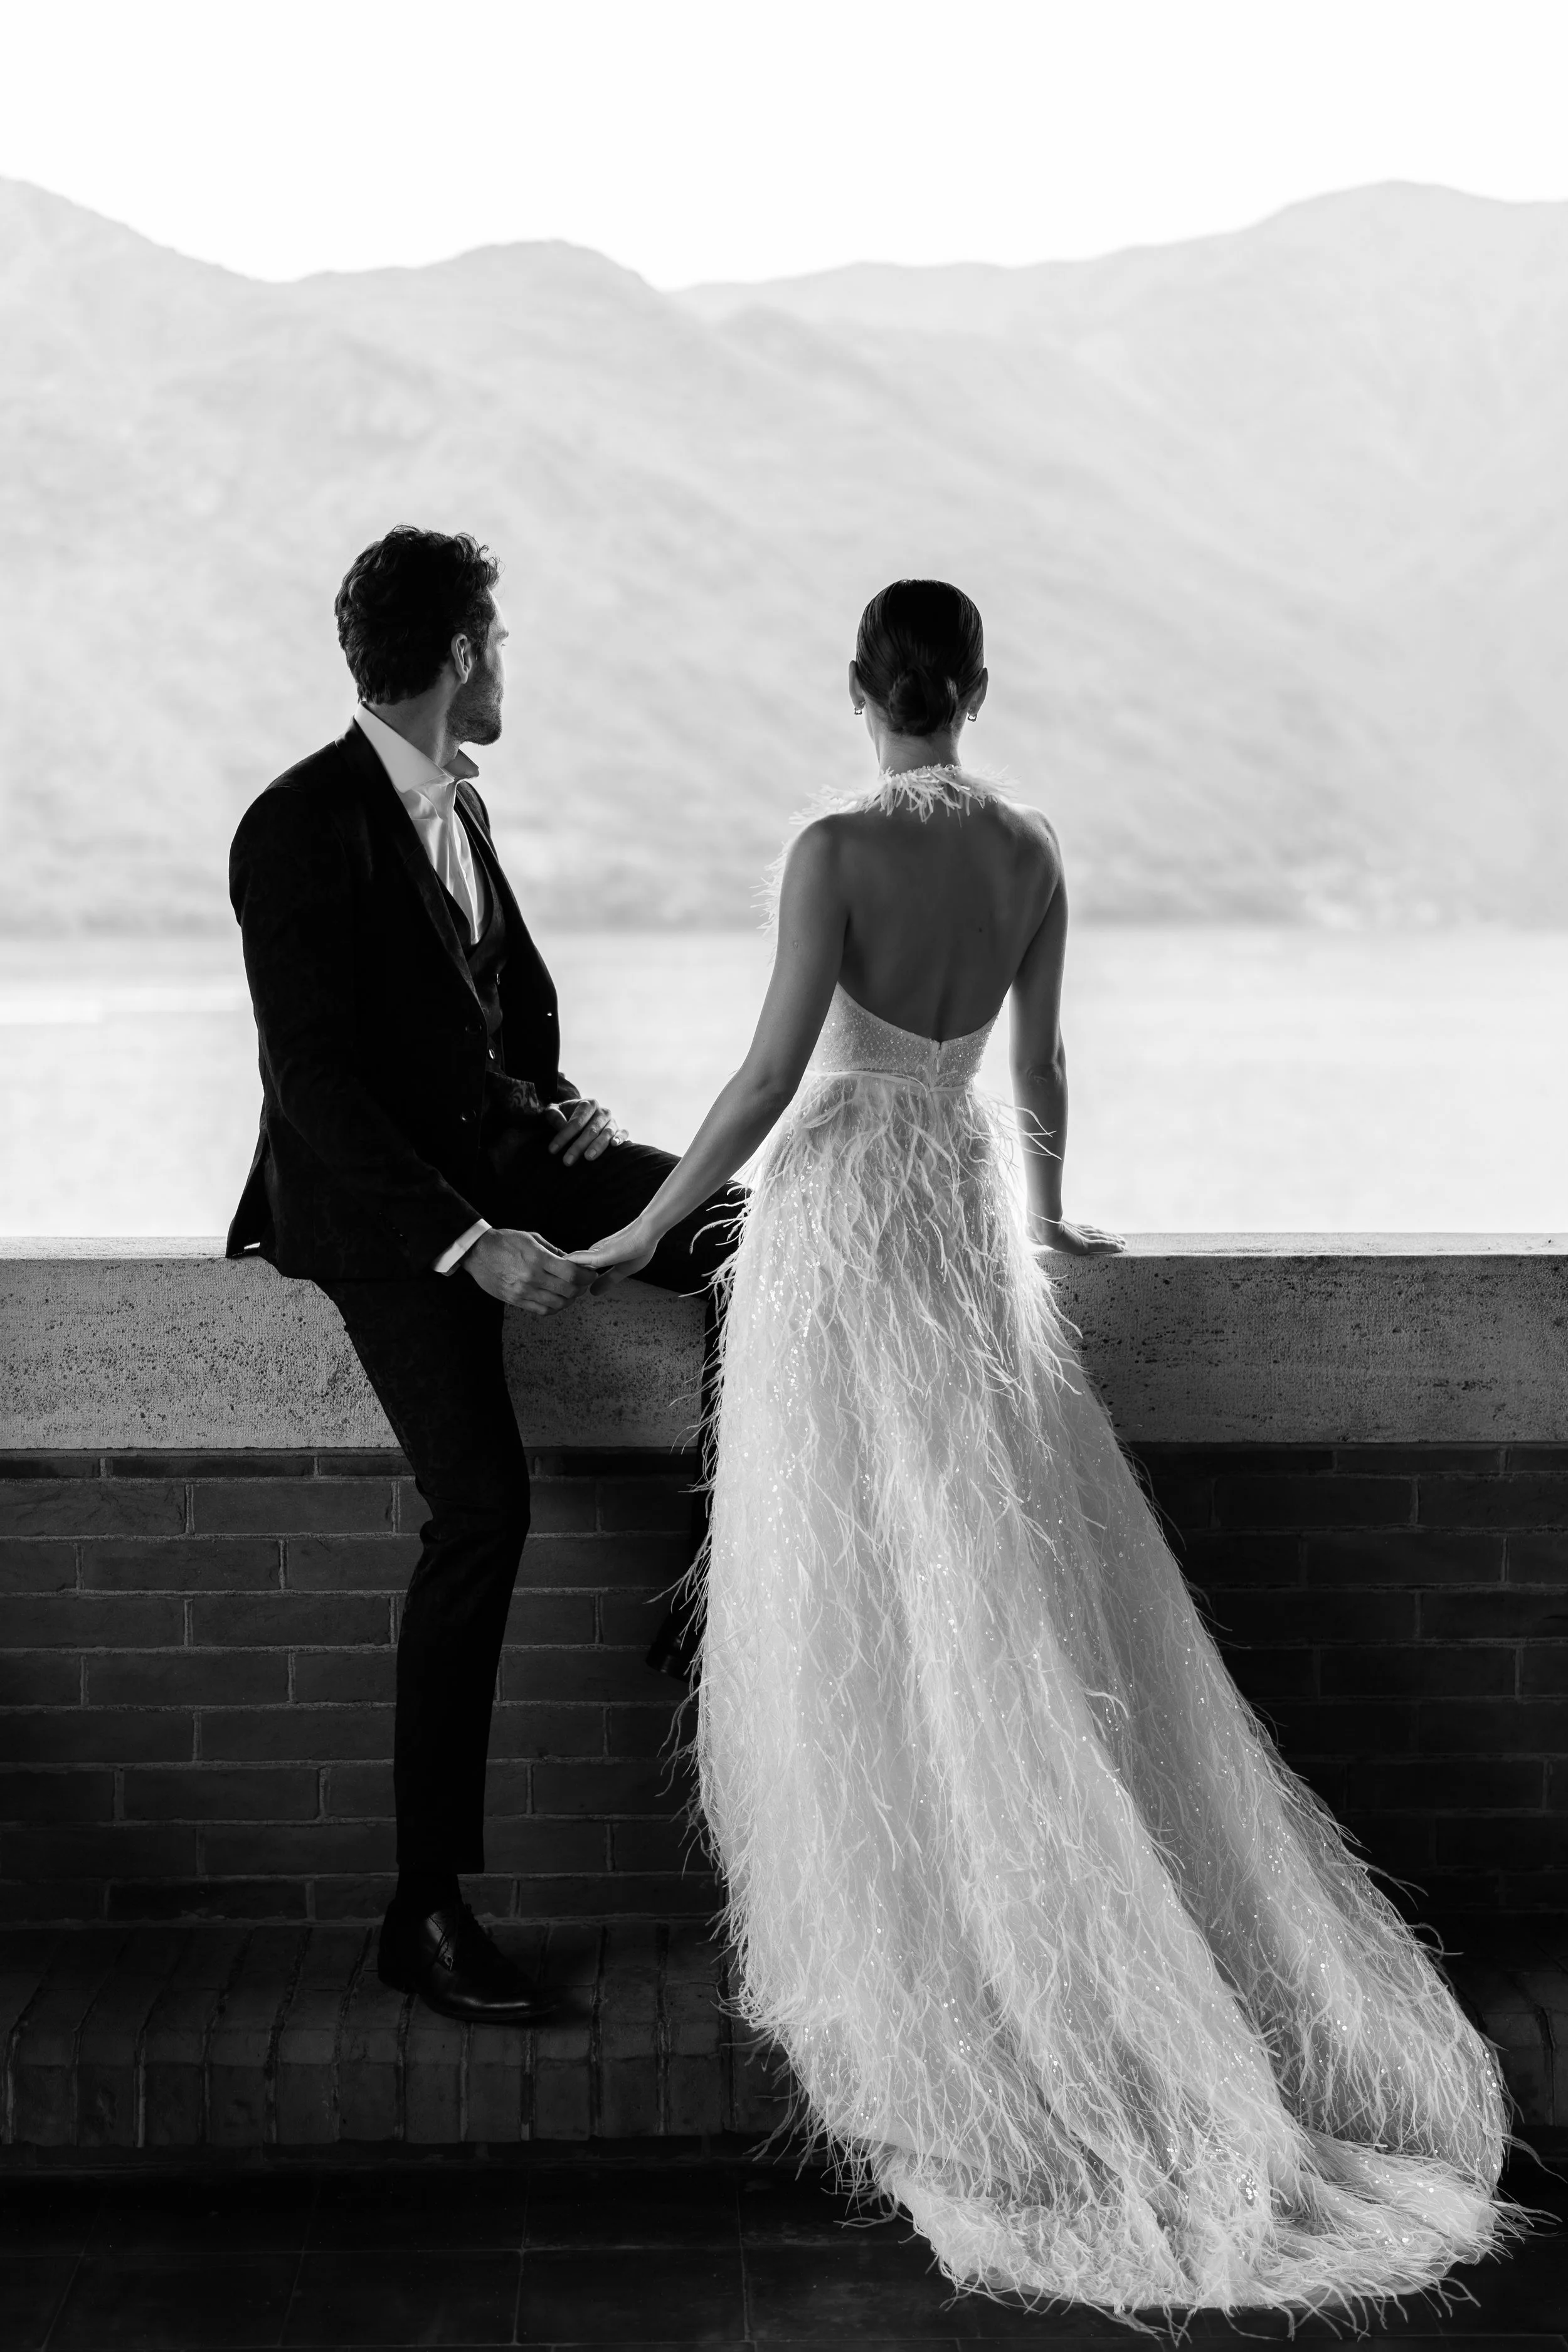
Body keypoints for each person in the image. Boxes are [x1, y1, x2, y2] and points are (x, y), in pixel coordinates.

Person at [571, 579, 1519, 2320]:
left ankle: (914, 1922)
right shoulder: (1028, 852)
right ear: (975, 689)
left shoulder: (829, 847)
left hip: (841, 1224)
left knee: (850, 1567)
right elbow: (1042, 1061)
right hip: (960, 1218)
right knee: (987, 1562)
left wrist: (641, 1229)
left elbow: (770, 1073)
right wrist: (1059, 1210)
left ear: (861, 689)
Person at [227, 526, 741, 2025]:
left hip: (512, 1154)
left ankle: (711, 1583)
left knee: (759, 1238)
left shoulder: (466, 807)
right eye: (500, 642)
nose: (507, 665)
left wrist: (557, 1102)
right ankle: (425, 1907)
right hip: (381, 1216)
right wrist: (469, 1244)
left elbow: (495, 1015)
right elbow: (317, 1089)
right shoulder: (293, 827)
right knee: (484, 1514)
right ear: (461, 653)